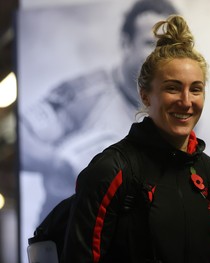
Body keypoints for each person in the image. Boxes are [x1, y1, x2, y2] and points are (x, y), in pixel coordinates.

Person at [61, 15, 210, 263]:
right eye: (172, 88)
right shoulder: (111, 171)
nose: (186, 101)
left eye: (196, 89)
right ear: (145, 95)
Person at [19, 0, 178, 221]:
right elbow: (20, 139)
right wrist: (62, 165)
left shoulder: (175, 111)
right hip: (67, 244)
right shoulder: (87, 94)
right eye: (150, 43)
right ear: (126, 43)